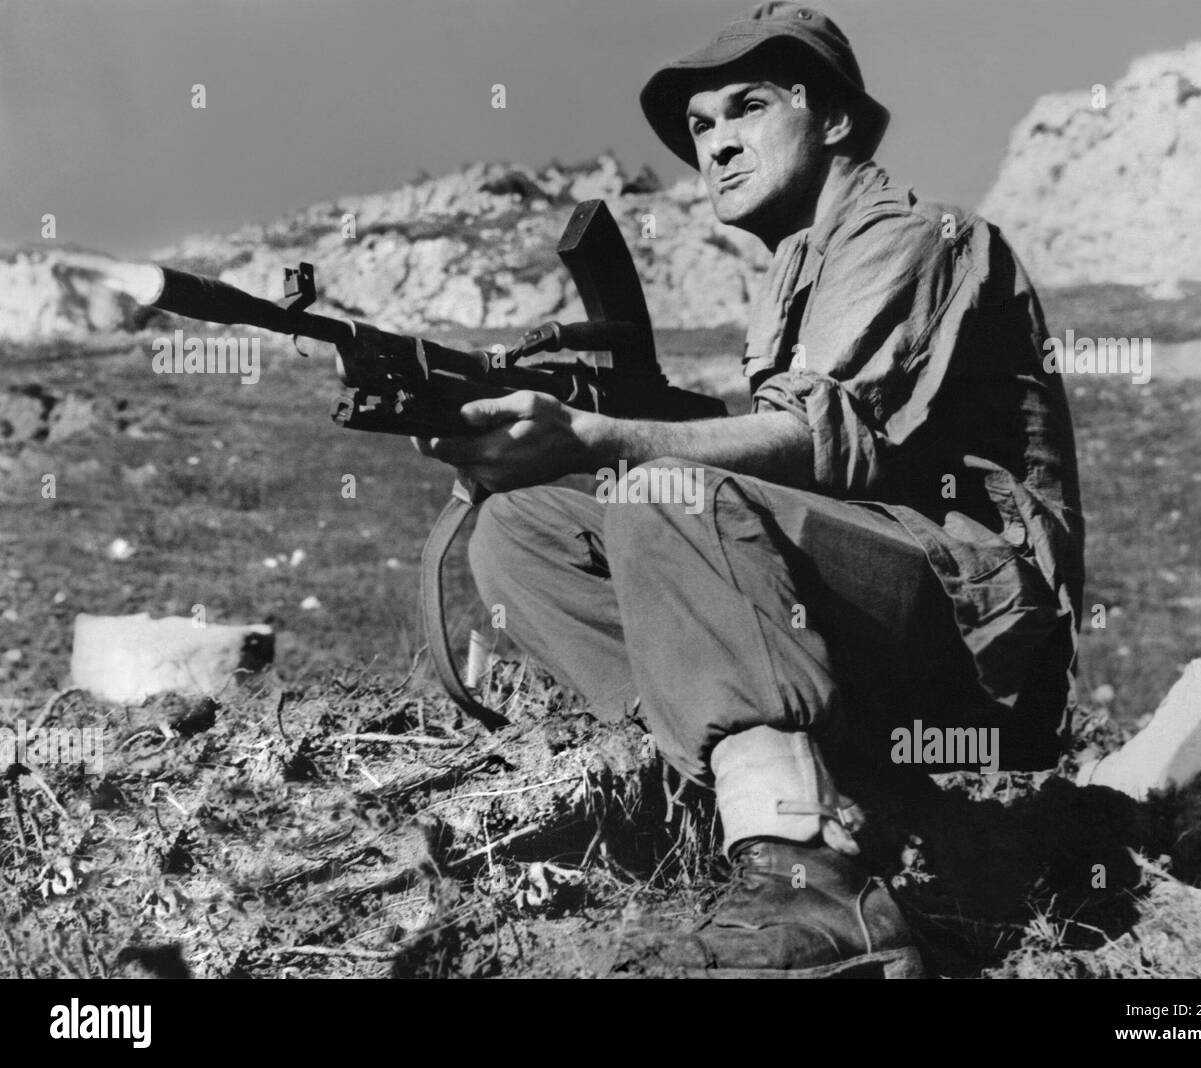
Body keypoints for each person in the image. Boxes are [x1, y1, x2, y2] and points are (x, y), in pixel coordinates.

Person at [415, 1, 1085, 978]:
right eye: (700, 126)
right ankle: (733, 792)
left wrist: (604, 434)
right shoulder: (790, 270)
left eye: (749, 107)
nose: (717, 142)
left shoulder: (911, 238)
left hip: (982, 642)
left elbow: (827, 440)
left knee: (663, 493)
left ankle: (815, 883)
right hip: (889, 606)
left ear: (837, 121)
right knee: (522, 529)